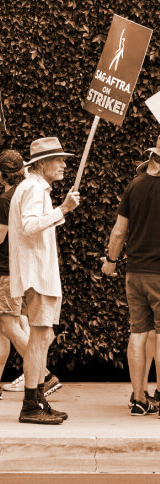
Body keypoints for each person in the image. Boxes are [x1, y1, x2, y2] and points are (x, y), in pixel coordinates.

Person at [0, 150, 61, 399]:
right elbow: (6, 225)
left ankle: (43, 375)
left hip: (6, 271)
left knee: (8, 324)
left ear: (2, 175)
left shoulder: (9, 197)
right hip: (15, 269)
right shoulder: (21, 193)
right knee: (0, 324)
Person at [8, 137, 80, 424]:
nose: (64, 164)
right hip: (37, 277)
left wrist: (61, 210)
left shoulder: (34, 188)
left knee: (43, 338)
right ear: (41, 163)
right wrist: (63, 209)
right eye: (59, 159)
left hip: (38, 276)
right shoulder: (34, 189)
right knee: (39, 341)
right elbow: (29, 226)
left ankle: (37, 399)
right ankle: (30, 405)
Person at [102, 135, 160, 416]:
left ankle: (139, 399)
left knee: (138, 332)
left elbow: (118, 231)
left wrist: (111, 260)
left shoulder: (133, 186)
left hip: (135, 272)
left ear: (151, 158)